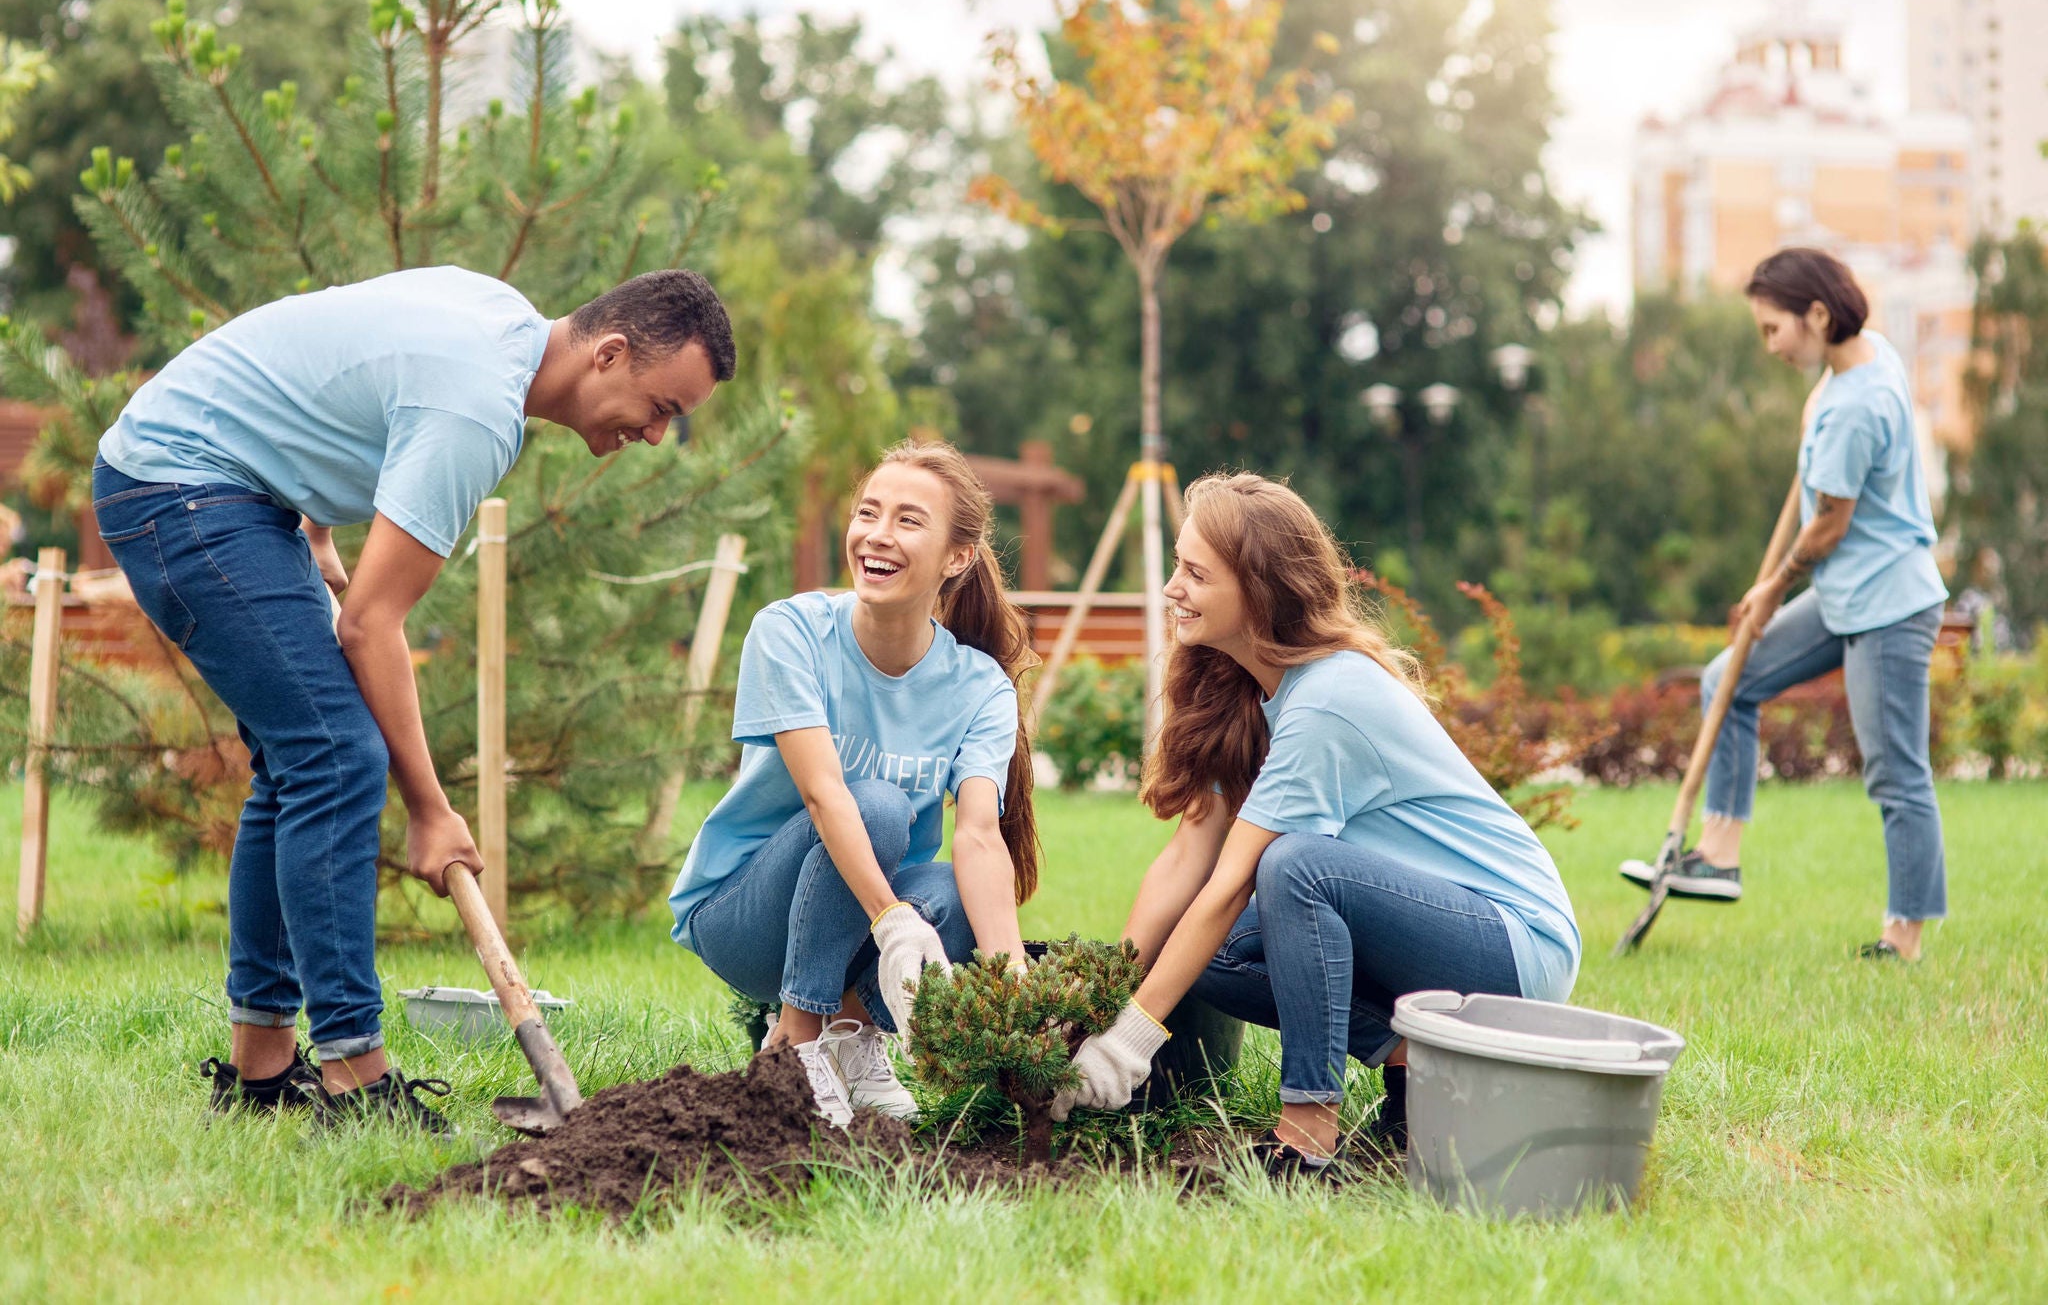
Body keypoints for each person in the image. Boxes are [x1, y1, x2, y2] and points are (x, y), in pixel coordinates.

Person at [93, 266, 734, 1127]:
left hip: (225, 481)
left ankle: (260, 1073)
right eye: (662, 407)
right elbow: (371, 627)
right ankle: (356, 1079)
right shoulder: (476, 409)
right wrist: (431, 812)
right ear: (609, 353)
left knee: (296, 764)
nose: (658, 435)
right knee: (334, 755)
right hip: (183, 482)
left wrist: (316, 520)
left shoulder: (501, 317)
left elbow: (336, 352)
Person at [1052, 473, 1580, 1178]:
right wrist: (1097, 1000)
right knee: (1204, 953)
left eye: (1194, 572)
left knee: (1297, 868)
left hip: (1514, 944)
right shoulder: (1248, 690)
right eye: (1178, 564)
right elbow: (1187, 860)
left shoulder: (1328, 698)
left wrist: (1129, 1042)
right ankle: (1415, 1067)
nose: (1172, 587)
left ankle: (1307, 1124)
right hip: (1435, 939)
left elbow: (1233, 881)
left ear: (1259, 591)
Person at [667, 439, 1040, 1125]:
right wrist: (893, 919)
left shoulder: (978, 685)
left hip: (857, 918)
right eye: (869, 512)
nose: (877, 534)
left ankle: (853, 1034)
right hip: (746, 915)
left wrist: (1012, 986)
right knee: (877, 803)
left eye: (907, 519)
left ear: (957, 557)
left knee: (959, 894)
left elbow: (981, 837)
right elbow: (825, 794)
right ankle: (796, 1041)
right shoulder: (792, 631)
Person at [1619, 247, 1949, 962]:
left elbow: (1829, 522)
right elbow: (1820, 481)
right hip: (1845, 594)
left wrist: (1773, 586)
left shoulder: (1858, 405)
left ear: (1818, 315)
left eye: (1774, 329)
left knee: (1896, 770)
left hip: (1888, 602)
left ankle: (1906, 934)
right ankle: (1719, 852)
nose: (1768, 345)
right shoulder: (1859, 361)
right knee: (1726, 679)